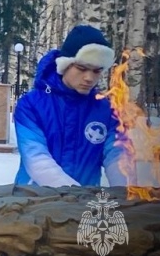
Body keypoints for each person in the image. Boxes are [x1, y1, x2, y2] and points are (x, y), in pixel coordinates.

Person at [14, 25, 133, 187]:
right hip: (34, 201)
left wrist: (127, 197)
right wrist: (76, 196)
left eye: (97, 71)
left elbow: (118, 159)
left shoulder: (107, 110)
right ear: (65, 65)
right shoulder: (31, 105)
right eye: (82, 68)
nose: (89, 78)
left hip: (84, 206)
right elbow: (37, 160)